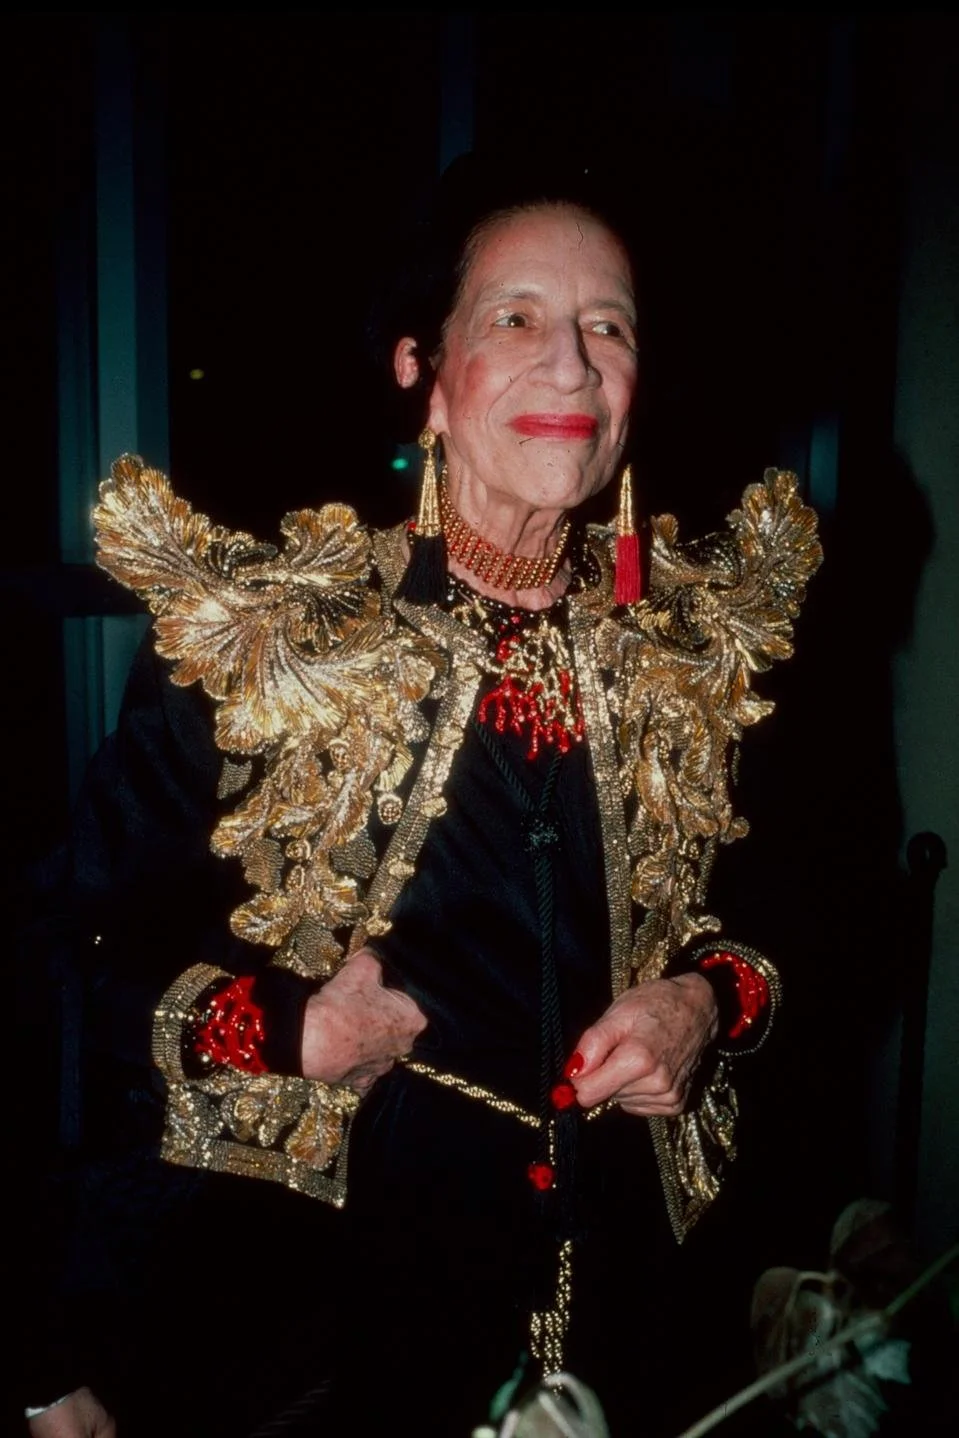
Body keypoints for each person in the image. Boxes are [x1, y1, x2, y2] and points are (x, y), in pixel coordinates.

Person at [24, 167, 822, 1438]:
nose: (568, 364)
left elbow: (804, 906)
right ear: (424, 371)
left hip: (643, 1315)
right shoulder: (264, 641)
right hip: (298, 1335)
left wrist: (706, 1002)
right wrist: (276, 1028)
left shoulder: (704, 648)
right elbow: (59, 964)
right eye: (514, 318)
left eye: (605, 326)